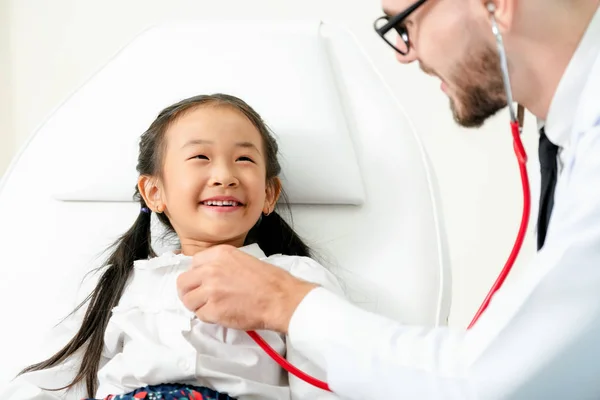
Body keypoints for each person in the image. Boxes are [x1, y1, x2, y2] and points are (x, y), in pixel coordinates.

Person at [176, 0, 600, 398]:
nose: (404, 53)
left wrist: (284, 301)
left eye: (406, 23)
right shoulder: (571, 141)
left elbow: (491, 380)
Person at [2, 94, 343, 400]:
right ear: (154, 193)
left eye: (244, 159)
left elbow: (329, 382)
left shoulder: (295, 278)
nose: (225, 175)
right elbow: (52, 384)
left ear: (269, 194)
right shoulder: (122, 284)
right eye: (200, 156)